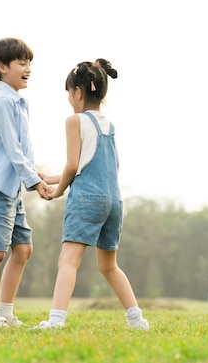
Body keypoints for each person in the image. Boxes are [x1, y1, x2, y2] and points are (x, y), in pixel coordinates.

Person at [35, 59, 149, 330]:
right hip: (113, 201)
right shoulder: (109, 125)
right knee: (109, 266)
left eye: (68, 93)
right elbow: (101, 164)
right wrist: (54, 176)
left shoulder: (75, 121)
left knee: (67, 261)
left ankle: (55, 321)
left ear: (77, 92)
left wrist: (58, 191)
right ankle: (137, 320)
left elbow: (73, 166)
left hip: (87, 199)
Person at [0, 37, 52, 328]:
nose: (28, 68)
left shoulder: (19, 102)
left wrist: (36, 174)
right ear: (2, 67)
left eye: (29, 62)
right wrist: (34, 182)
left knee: (23, 249)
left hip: (10, 187)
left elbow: (24, 148)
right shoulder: (3, 102)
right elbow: (11, 149)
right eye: (21, 62)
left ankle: (5, 313)